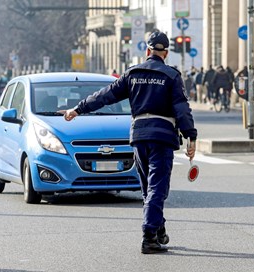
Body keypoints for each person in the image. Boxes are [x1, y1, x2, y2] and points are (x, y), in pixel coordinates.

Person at [59, 30, 197, 254]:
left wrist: (78, 109)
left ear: (147, 51)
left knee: (148, 188)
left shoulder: (133, 74)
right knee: (157, 187)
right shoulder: (172, 76)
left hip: (139, 136)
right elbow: (182, 109)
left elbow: (105, 95)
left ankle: (159, 229)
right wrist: (191, 136)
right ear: (166, 53)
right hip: (162, 136)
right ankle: (150, 236)